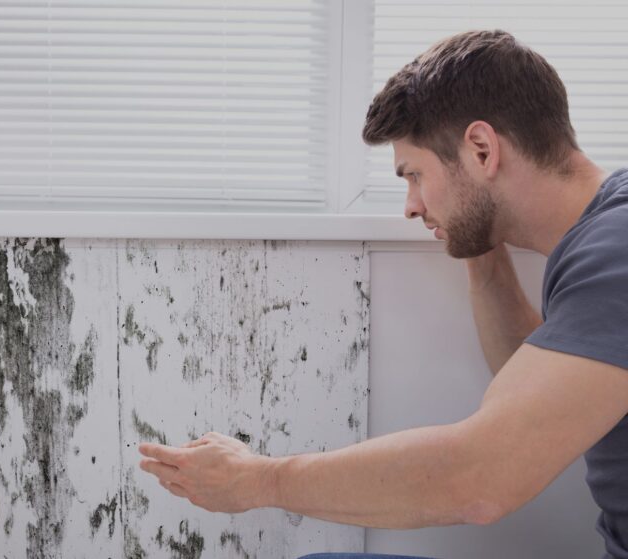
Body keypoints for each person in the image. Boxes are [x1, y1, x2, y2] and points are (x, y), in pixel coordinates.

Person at [137, 29, 628, 559]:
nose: (411, 206)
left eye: (414, 175)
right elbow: (536, 392)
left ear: (482, 150)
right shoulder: (600, 236)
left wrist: (258, 482)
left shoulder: (614, 252)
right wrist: (477, 243)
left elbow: (480, 480)